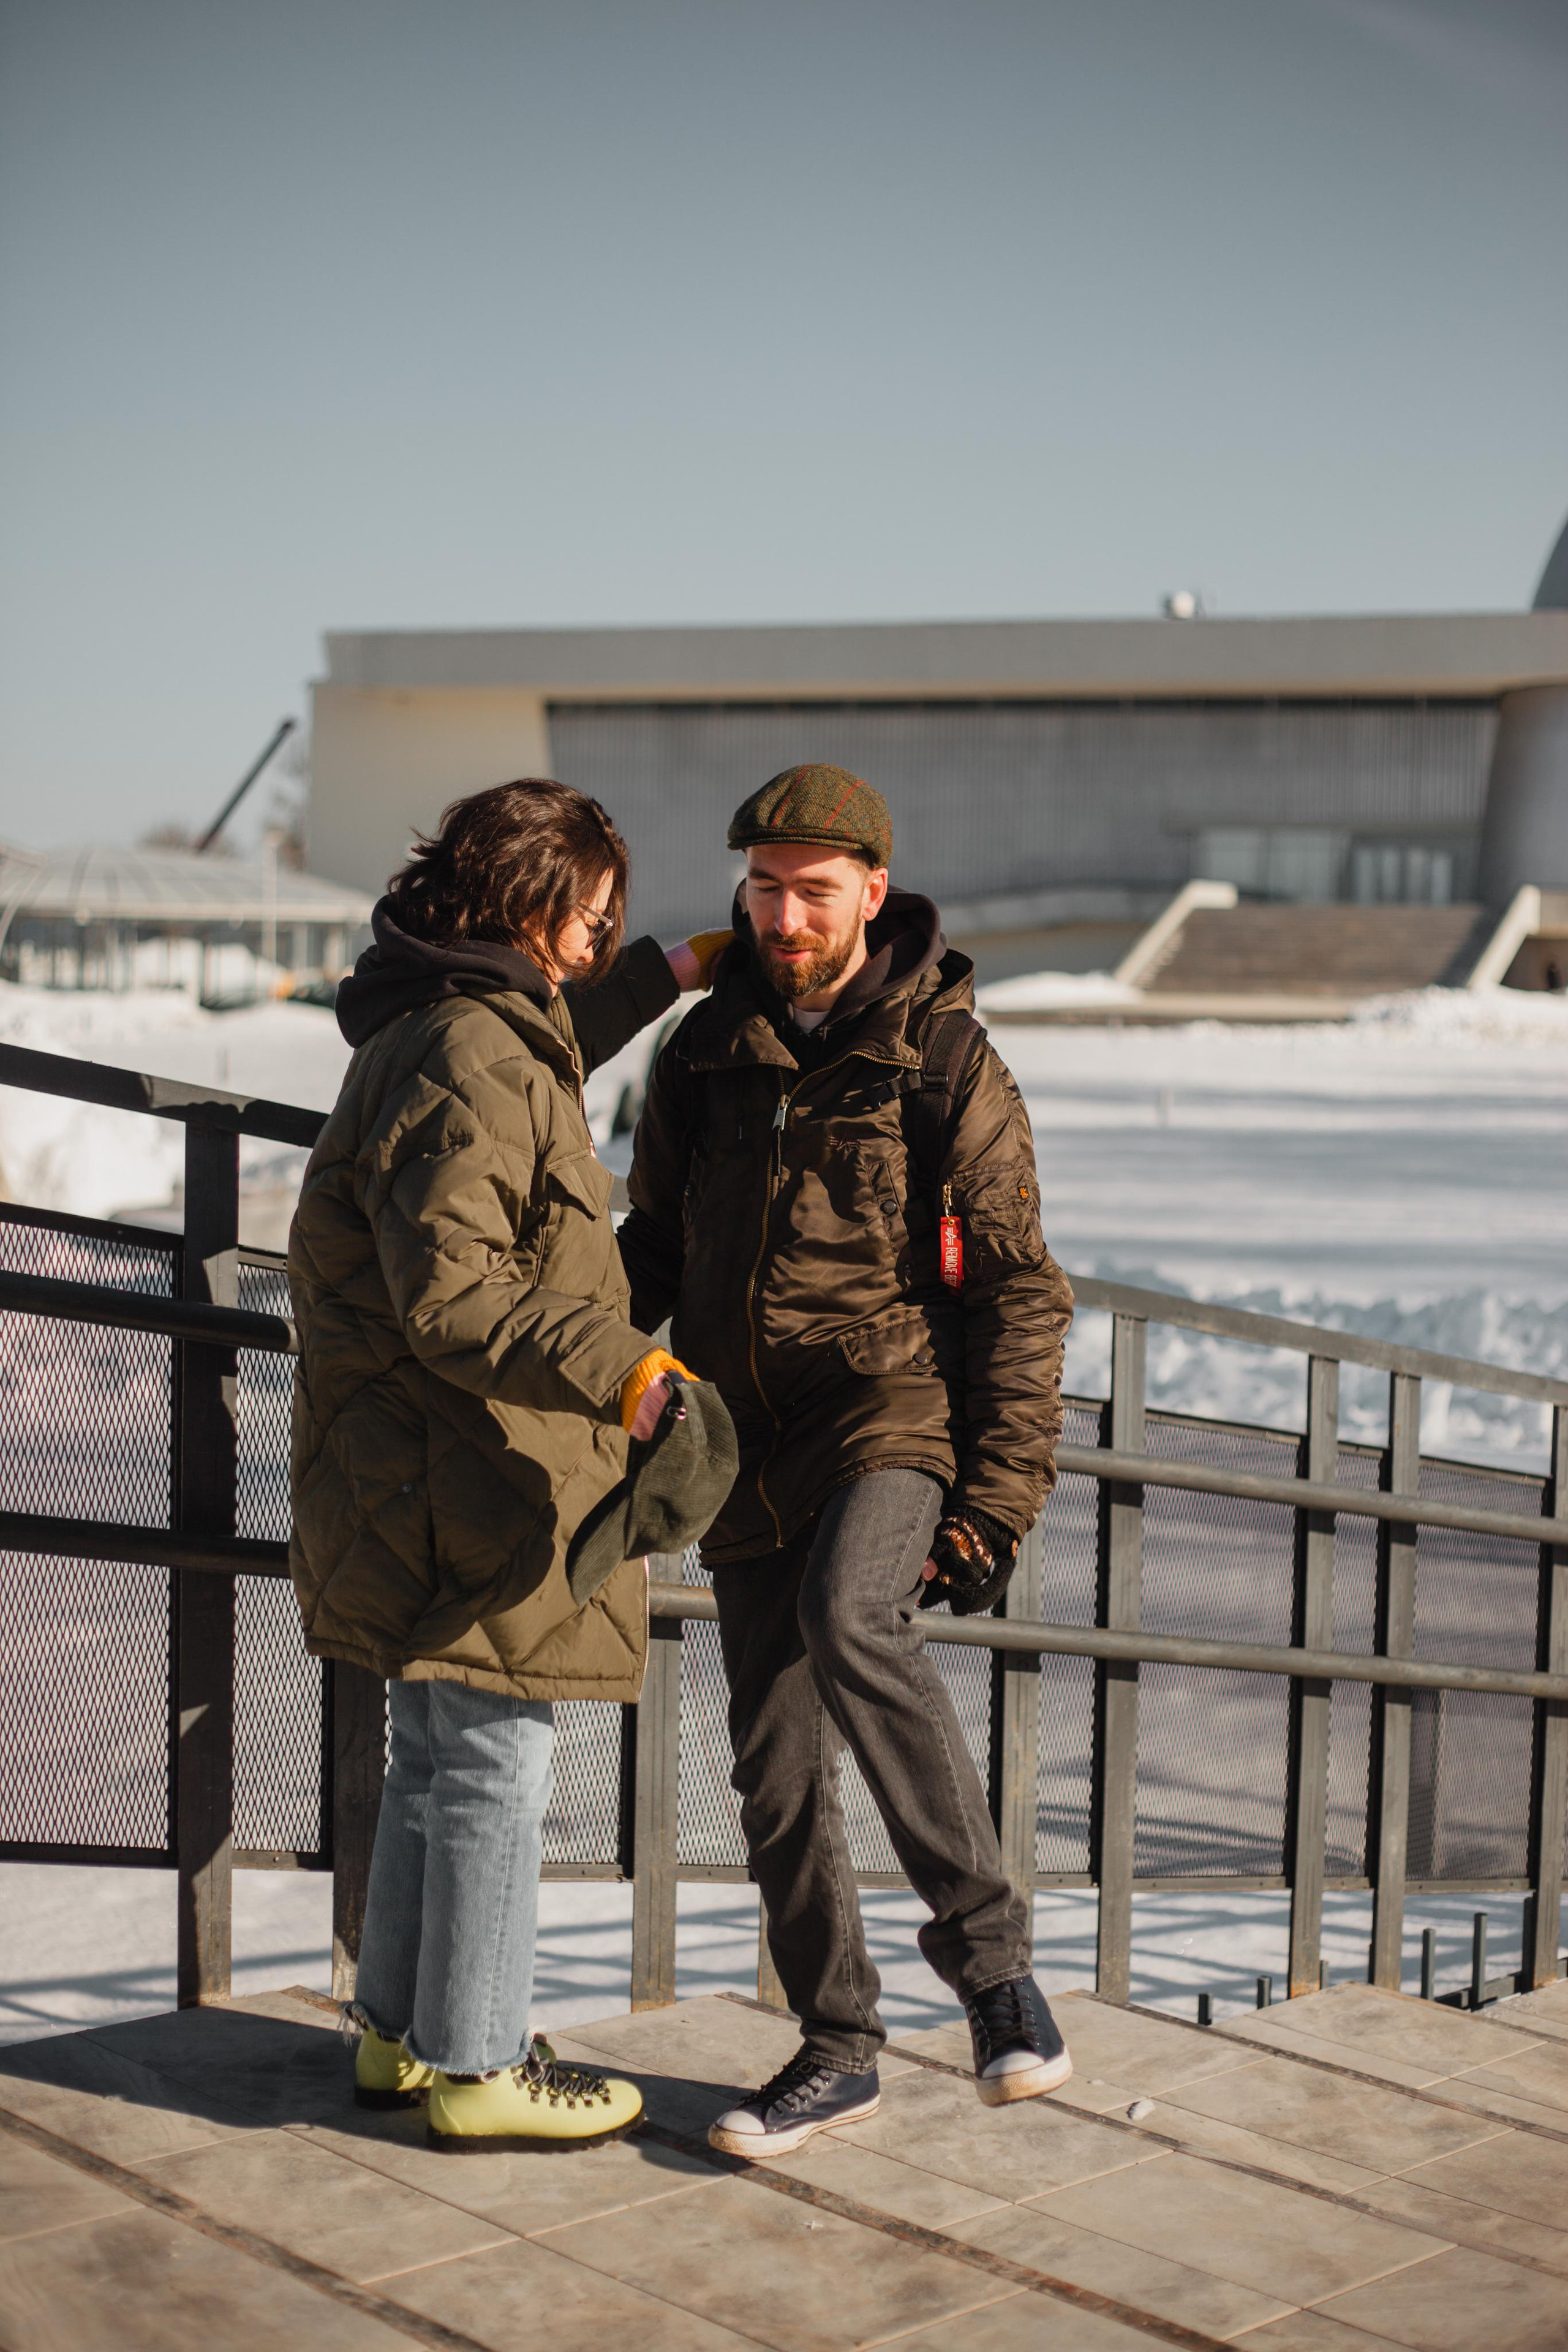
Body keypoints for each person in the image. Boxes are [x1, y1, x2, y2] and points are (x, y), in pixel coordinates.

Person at [619, 764, 1076, 2158]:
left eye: (813, 891)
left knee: (849, 1613)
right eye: (761, 887)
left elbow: (1013, 1291)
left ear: (872, 894)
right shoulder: (697, 1057)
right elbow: (647, 1249)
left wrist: (996, 1499)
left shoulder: (942, 1060)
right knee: (769, 1765)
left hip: (888, 1409)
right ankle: (836, 2042)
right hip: (737, 1440)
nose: (782, 914)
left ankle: (995, 1977)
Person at [288, 778, 729, 2151]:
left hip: (407, 1461)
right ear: (524, 905)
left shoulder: (438, 1016)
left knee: (435, 1757)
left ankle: (398, 2038)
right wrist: (626, 1366)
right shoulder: (471, 1052)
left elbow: (545, 1044)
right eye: (588, 922)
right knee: (492, 1759)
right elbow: (459, 1293)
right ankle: (478, 2065)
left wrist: (677, 967)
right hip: (461, 1465)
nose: (596, 950)